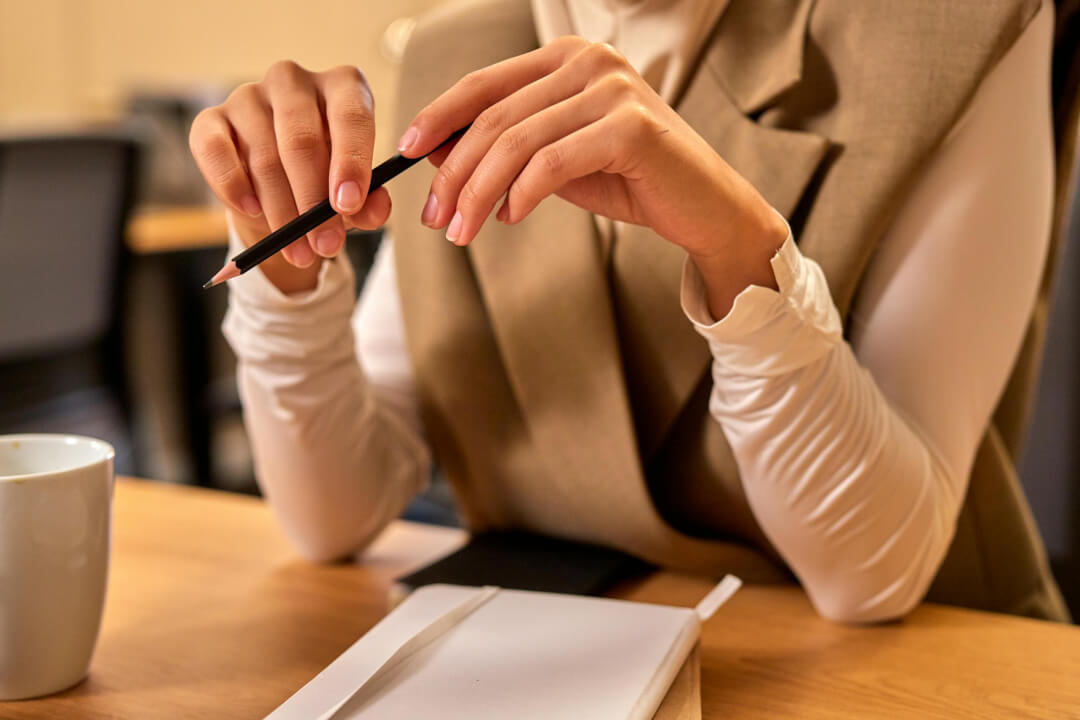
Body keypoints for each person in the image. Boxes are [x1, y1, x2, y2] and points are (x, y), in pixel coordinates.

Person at [189, 0, 1069, 622]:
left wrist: (739, 250)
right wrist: (285, 267)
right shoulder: (456, 46)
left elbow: (875, 579)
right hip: (553, 649)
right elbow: (336, 515)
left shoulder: (962, 26)